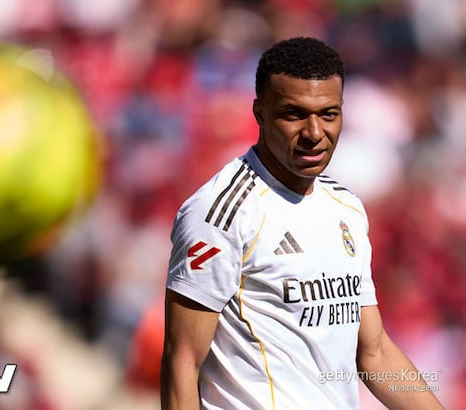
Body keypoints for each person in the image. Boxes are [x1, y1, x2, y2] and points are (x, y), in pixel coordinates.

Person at [160, 37, 444, 409]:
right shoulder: (220, 213)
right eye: (294, 114)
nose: (314, 133)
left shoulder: (346, 207)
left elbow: (374, 352)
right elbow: (182, 360)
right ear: (260, 113)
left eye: (328, 114)